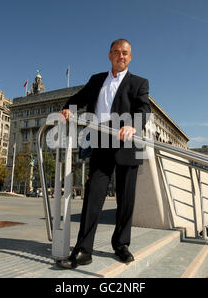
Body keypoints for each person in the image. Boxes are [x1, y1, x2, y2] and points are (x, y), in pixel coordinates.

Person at [58, 39, 151, 269]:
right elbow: (78, 98)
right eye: (117, 52)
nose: (121, 56)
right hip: (100, 141)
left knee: (126, 198)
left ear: (130, 57)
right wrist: (66, 110)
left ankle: (121, 246)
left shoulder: (139, 83)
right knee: (93, 196)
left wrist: (133, 126)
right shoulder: (96, 79)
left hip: (126, 142)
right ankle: (83, 250)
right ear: (110, 55)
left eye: (126, 53)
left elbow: (143, 108)